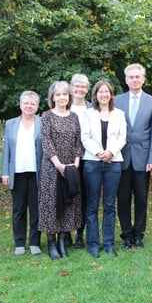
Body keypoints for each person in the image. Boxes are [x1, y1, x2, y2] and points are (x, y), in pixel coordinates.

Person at [114, 63, 152, 249]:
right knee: (123, 199)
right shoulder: (116, 100)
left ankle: (139, 235)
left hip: (143, 159)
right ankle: (126, 235)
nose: (134, 80)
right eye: (131, 77)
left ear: (143, 79)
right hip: (121, 158)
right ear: (126, 80)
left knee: (141, 199)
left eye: (137, 77)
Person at [80, 81, 127, 258]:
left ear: (111, 94)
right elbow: (85, 137)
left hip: (113, 163)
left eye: (107, 92)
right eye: (100, 92)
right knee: (92, 205)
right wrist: (99, 152)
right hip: (93, 162)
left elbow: (122, 137)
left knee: (109, 205)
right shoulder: (88, 114)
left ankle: (108, 244)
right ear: (95, 95)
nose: (104, 95)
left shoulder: (119, 114)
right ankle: (93, 244)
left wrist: (110, 152)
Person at [39, 81, 83, 260]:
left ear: (69, 97)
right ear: (53, 98)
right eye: (58, 94)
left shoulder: (74, 117)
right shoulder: (47, 116)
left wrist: (76, 162)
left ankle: (63, 242)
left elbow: (78, 141)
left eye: (65, 94)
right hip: (52, 167)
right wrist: (58, 164)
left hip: (71, 168)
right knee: (51, 204)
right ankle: (51, 243)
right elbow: (46, 141)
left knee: (68, 204)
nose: (62, 97)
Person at [1, 91, 43, 256]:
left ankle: (34, 242)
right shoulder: (11, 124)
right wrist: (5, 173)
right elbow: (6, 151)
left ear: (37, 107)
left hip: (36, 172)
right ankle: (19, 242)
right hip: (17, 172)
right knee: (18, 209)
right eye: (26, 103)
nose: (29, 106)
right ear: (20, 105)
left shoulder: (42, 122)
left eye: (32, 104)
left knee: (36, 209)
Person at [69, 74, 92, 249]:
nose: (80, 89)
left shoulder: (92, 108)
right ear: (71, 88)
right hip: (65, 160)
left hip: (87, 159)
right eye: (77, 86)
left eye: (83, 86)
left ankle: (79, 233)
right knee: (67, 196)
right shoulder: (63, 106)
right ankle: (65, 232)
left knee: (84, 197)